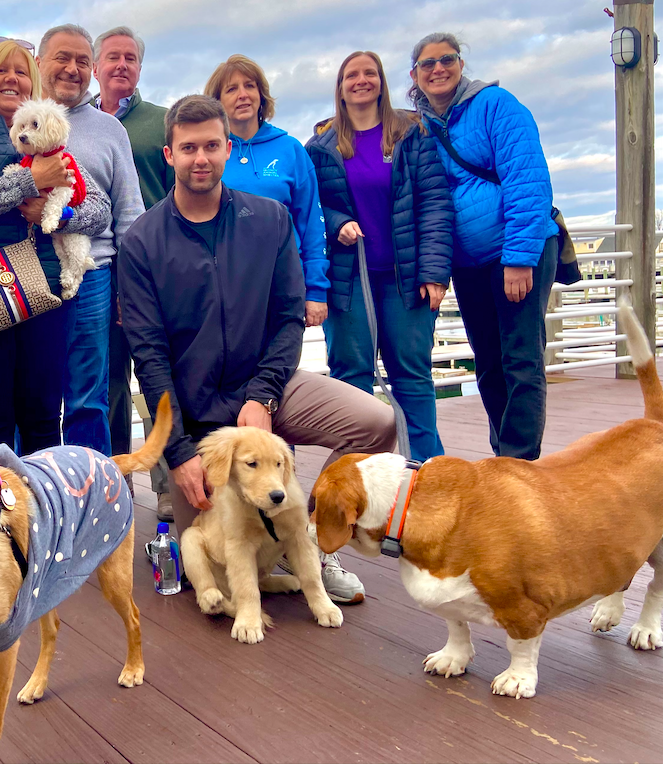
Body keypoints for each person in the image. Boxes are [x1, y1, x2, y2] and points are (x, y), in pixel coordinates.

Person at [119, 95, 398, 605]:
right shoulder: (142, 241)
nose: (199, 158)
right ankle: (264, 536)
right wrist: (179, 454)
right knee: (218, 578)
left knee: (376, 423)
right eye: (188, 148)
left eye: (210, 146)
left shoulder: (269, 219)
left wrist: (263, 396)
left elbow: (289, 316)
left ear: (228, 149)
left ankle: (309, 540)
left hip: (269, 386)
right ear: (169, 155)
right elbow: (149, 357)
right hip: (199, 418)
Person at [0, 37, 110, 453]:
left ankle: (43, 514)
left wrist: (58, 214)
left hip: (47, 290)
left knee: (45, 416)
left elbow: (99, 210)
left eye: (22, 72)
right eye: (1, 70)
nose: (12, 79)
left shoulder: (52, 145)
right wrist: (30, 181)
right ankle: (1, 514)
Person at [408, 32, 559, 460]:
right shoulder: (420, 127)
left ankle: (520, 460)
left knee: (521, 359)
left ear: (460, 65)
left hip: (514, 253)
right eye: (427, 64)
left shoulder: (497, 106)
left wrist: (519, 258)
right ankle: (504, 454)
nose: (438, 69)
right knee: (488, 363)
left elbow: (527, 181)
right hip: (468, 263)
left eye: (447, 59)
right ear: (415, 75)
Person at [306, 51, 454, 462]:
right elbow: (311, 204)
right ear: (340, 87)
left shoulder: (411, 135)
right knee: (351, 379)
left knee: (412, 378)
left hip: (405, 280)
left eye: (369, 73)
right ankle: (358, 474)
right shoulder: (320, 145)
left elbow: (436, 204)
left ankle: (427, 468)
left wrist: (436, 272)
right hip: (350, 282)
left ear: (382, 81)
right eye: (351, 75)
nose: (361, 80)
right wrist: (337, 221)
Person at [37, 24, 143, 456]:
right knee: (34, 395)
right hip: (27, 271)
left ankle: (91, 499)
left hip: (94, 275)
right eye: (62, 57)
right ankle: (33, 503)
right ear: (40, 62)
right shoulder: (21, 122)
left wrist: (129, 289)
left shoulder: (110, 129)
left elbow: (130, 214)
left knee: (88, 395)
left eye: (82, 60)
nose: (72, 68)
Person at [92, 25, 173, 518]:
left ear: (140, 67)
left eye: (131, 58)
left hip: (154, 273)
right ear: (97, 66)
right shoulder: (75, 123)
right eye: (112, 57)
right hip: (100, 273)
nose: (121, 65)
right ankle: (113, 484)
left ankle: (169, 485)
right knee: (108, 384)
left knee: (161, 376)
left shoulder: (162, 122)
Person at [205, 55, 330, 328]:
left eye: (249, 86)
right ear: (217, 101)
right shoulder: (209, 152)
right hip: (223, 287)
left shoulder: (290, 149)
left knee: (280, 367)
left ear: (261, 95)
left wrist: (316, 290)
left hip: (283, 282)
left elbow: (310, 223)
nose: (243, 95)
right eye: (231, 89)